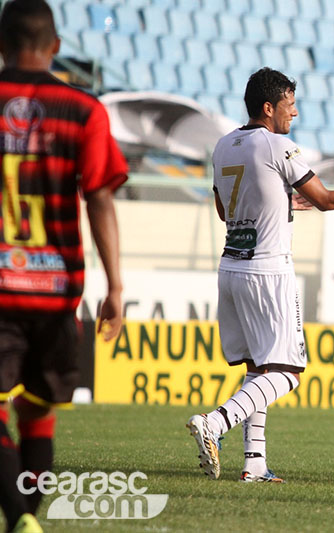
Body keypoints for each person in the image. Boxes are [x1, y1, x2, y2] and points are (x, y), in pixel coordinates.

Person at [186, 67, 334, 482]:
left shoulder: (223, 145)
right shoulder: (278, 145)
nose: (293, 113)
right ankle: (217, 422)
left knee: (259, 368)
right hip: (268, 269)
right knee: (288, 373)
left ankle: (254, 465)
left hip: (231, 267)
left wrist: (283, 204)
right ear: (268, 107)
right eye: (289, 105)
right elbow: (328, 199)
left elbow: (226, 211)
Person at [0, 1, 126, 530]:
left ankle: (19, 519)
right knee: (37, 412)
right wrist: (116, 286)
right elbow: (99, 197)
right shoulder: (84, 110)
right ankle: (26, 518)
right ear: (54, 47)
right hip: (56, 289)